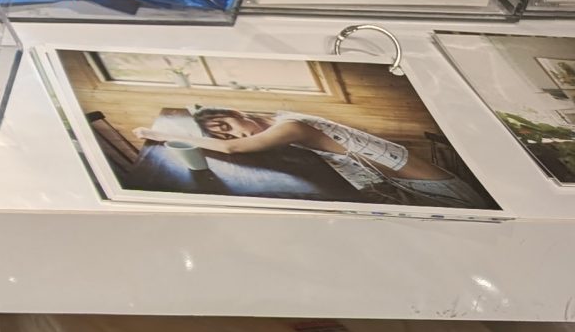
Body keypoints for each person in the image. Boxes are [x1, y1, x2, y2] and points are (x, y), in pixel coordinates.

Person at [178, 105, 486, 206]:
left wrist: (166, 137)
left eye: (227, 126)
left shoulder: (290, 127)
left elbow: (232, 149)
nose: (236, 136)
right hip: (409, 188)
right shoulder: (280, 120)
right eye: (225, 135)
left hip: (443, 195)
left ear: (236, 112)